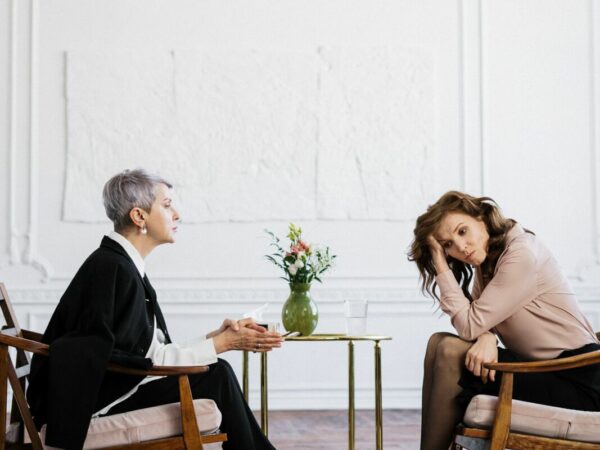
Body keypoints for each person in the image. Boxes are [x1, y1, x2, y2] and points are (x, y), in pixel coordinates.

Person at [27, 168, 282, 450]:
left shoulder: (119, 263)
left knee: (216, 371)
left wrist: (214, 339)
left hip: (109, 387)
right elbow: (141, 362)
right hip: (94, 402)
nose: (176, 215)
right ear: (139, 217)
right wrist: (220, 344)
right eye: (167, 205)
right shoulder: (115, 268)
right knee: (217, 374)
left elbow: (144, 354)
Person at [408, 191, 600, 450]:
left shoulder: (521, 253)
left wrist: (439, 263)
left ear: (481, 217)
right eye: (446, 245)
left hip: (580, 380)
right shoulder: (488, 262)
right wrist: (486, 336)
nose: (459, 247)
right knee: (438, 342)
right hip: (542, 370)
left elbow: (469, 324)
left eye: (462, 231)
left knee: (450, 350)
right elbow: (480, 322)